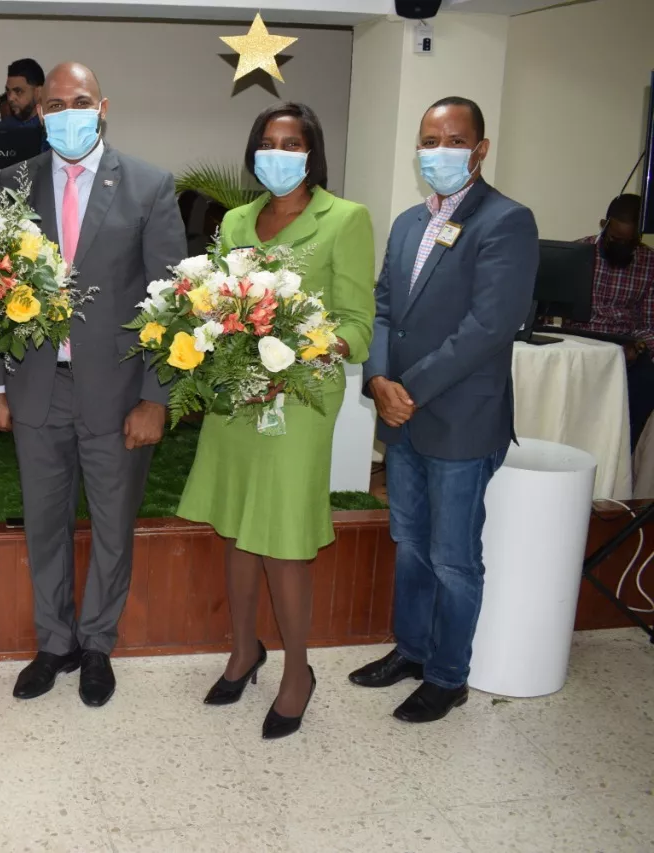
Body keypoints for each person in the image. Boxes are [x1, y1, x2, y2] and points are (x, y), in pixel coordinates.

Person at [0, 62, 185, 707]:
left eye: (81, 101)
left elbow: (170, 302)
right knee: (43, 524)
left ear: (103, 107)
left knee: (112, 525)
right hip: (37, 385)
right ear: (40, 113)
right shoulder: (12, 184)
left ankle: (97, 643)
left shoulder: (150, 186)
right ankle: (54, 642)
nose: (68, 113)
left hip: (120, 392)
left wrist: (157, 396)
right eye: (55, 104)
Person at [178, 103, 375, 739]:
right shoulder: (235, 219)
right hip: (238, 396)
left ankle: (298, 672)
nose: (279, 153)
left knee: (285, 538)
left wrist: (307, 346)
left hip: (300, 400)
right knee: (236, 527)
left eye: (292, 143)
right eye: (268, 142)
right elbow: (214, 300)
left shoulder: (345, 219)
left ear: (312, 153)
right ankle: (243, 651)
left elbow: (358, 323)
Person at [351, 96, 538, 723]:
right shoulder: (408, 222)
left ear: (480, 150)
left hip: (459, 417)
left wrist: (410, 388)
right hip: (402, 413)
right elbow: (381, 306)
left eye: (454, 140)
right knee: (410, 541)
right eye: (430, 139)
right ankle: (412, 650)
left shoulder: (506, 221)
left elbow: (490, 326)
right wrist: (378, 376)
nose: (439, 152)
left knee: (455, 557)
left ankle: (449, 675)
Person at [565, 193, 654, 447]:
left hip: (627, 348)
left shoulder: (650, 263)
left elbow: (650, 324)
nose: (622, 246)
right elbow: (553, 308)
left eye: (631, 242)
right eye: (616, 239)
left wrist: (637, 346)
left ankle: (622, 455)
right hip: (581, 341)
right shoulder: (578, 253)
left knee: (647, 382)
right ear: (604, 225)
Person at [0, 58, 45, 130]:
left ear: (38, 92)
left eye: (18, 91)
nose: (10, 98)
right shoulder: (4, 127)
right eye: (8, 91)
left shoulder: (54, 128)